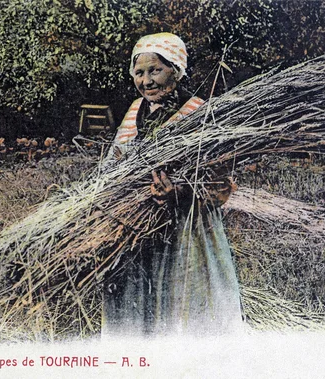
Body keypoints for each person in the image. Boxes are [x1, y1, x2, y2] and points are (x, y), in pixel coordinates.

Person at [102, 33, 243, 337]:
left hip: (187, 229)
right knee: (136, 307)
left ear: (176, 70)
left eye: (156, 70)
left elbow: (219, 182)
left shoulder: (199, 113)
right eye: (139, 73)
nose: (147, 81)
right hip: (137, 227)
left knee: (185, 305)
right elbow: (113, 164)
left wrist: (180, 192)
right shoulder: (133, 112)